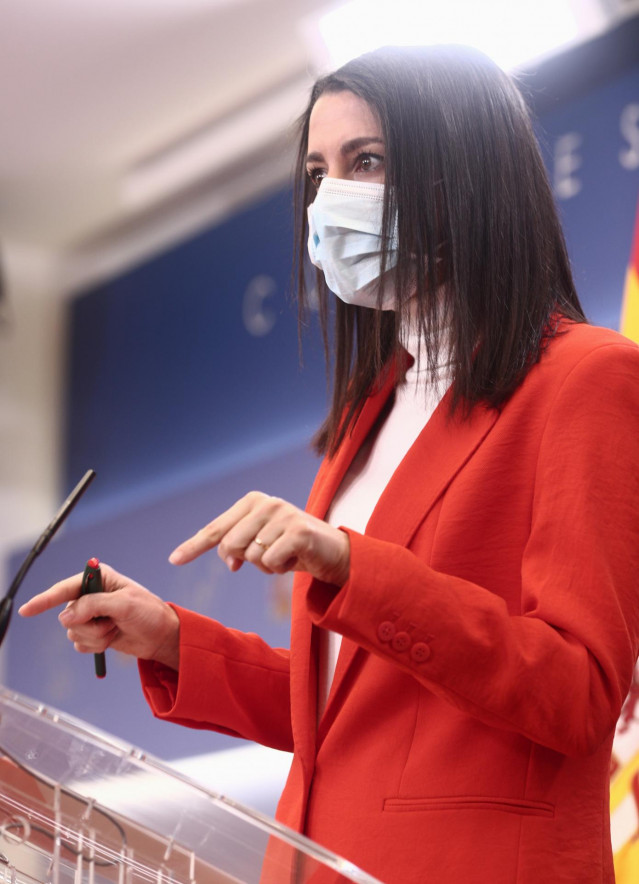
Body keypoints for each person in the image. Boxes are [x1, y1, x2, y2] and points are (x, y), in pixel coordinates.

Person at [19, 45, 639, 884]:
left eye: (367, 161)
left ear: (467, 174)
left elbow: (578, 693)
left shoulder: (584, 378)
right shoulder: (370, 410)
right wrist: (169, 638)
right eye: (317, 173)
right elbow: (355, 709)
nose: (329, 199)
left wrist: (351, 564)